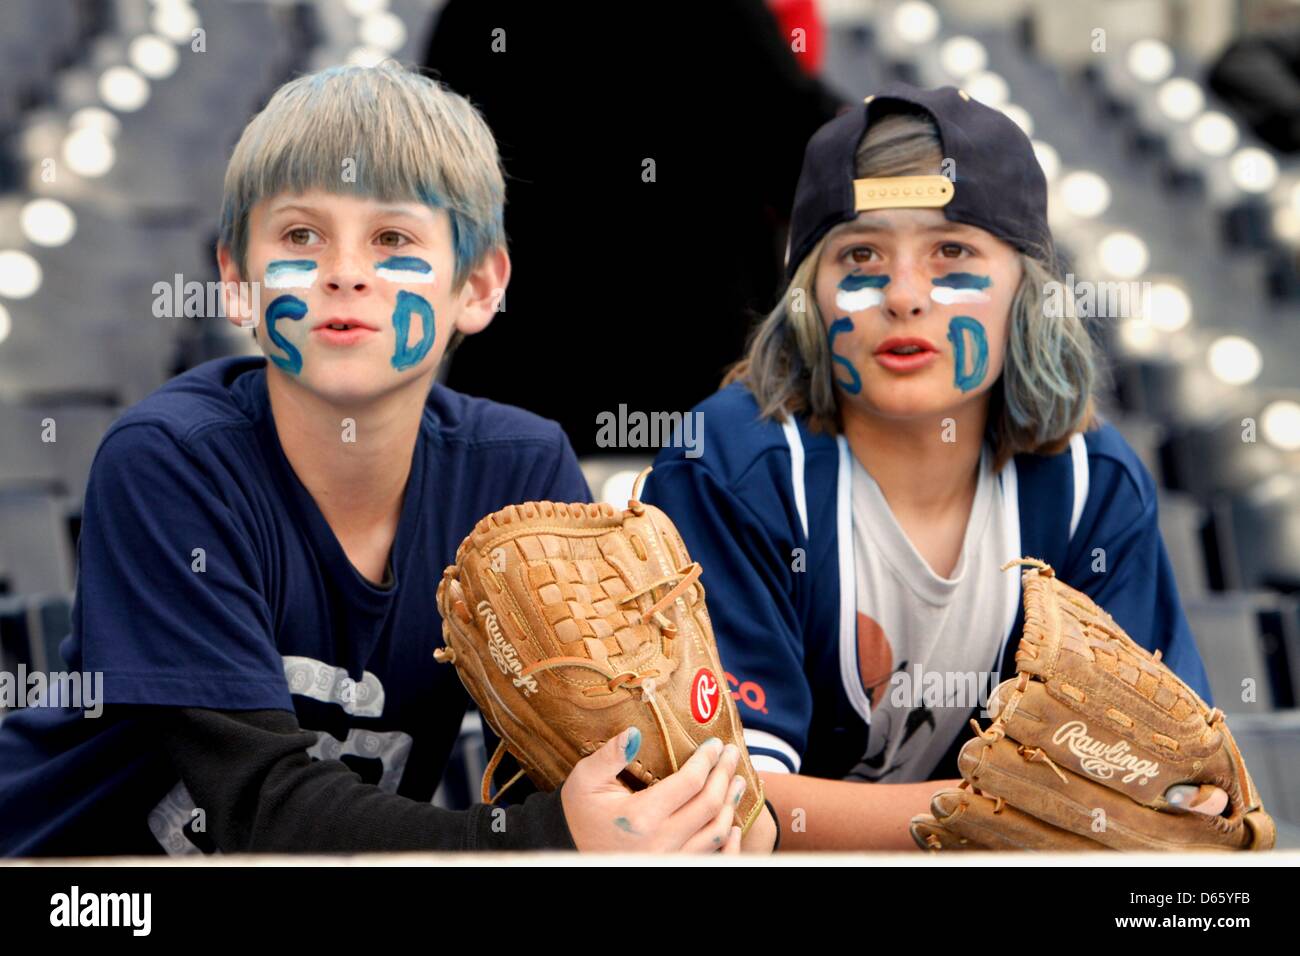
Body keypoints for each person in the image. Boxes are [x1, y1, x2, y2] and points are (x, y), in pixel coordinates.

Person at [0, 64, 757, 857]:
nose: (346, 272)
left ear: (479, 284)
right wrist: (548, 839)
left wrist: (681, 808)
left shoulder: (518, 474)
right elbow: (260, 814)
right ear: (235, 281)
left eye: (393, 238)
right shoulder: (169, 462)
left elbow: (583, 766)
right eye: (301, 236)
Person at [642, 84, 1224, 850]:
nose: (905, 296)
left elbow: (1173, 788)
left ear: (1026, 290)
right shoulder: (734, 465)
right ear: (809, 296)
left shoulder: (1090, 482)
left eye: (953, 252)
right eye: (860, 256)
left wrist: (1119, 804)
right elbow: (730, 813)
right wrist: (1023, 814)